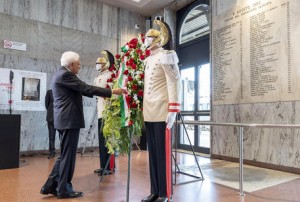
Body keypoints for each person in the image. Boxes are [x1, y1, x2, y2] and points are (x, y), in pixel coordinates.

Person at [40, 51, 126, 199]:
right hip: (69, 121)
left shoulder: (60, 74)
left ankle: (51, 185)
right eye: (78, 64)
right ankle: (64, 189)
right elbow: (86, 88)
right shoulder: (66, 75)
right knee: (68, 157)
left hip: (64, 121)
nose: (80, 67)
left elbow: (84, 89)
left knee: (64, 156)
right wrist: (113, 91)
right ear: (71, 64)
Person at [142, 20, 181, 202]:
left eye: (150, 37)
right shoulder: (148, 59)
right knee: (153, 155)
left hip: (162, 110)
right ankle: (155, 191)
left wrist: (173, 109)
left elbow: (174, 82)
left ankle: (165, 193)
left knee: (162, 154)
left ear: (159, 39)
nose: (146, 40)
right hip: (149, 111)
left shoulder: (167, 55)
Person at [93, 50, 116, 176]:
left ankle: (109, 166)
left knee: (108, 140)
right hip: (100, 111)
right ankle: (103, 166)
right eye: (97, 63)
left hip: (108, 112)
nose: (97, 65)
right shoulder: (97, 78)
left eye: (100, 63)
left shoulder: (110, 75)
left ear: (106, 64)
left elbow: (113, 93)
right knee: (102, 141)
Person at [45, 89, 56, 159]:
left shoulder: (62, 91)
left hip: (61, 118)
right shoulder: (49, 92)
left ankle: (64, 153)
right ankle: (52, 152)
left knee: (63, 137)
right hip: (51, 118)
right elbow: (47, 104)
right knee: (51, 136)